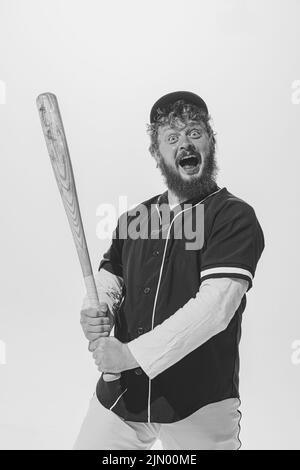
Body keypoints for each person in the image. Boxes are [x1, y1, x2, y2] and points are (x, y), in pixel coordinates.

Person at [74, 91, 265, 450]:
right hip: (123, 395)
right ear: (156, 153)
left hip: (199, 402)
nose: (184, 144)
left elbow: (214, 310)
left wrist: (130, 355)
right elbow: (110, 278)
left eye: (194, 132)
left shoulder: (233, 217)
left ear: (211, 140)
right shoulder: (134, 219)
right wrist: (95, 308)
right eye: (171, 138)